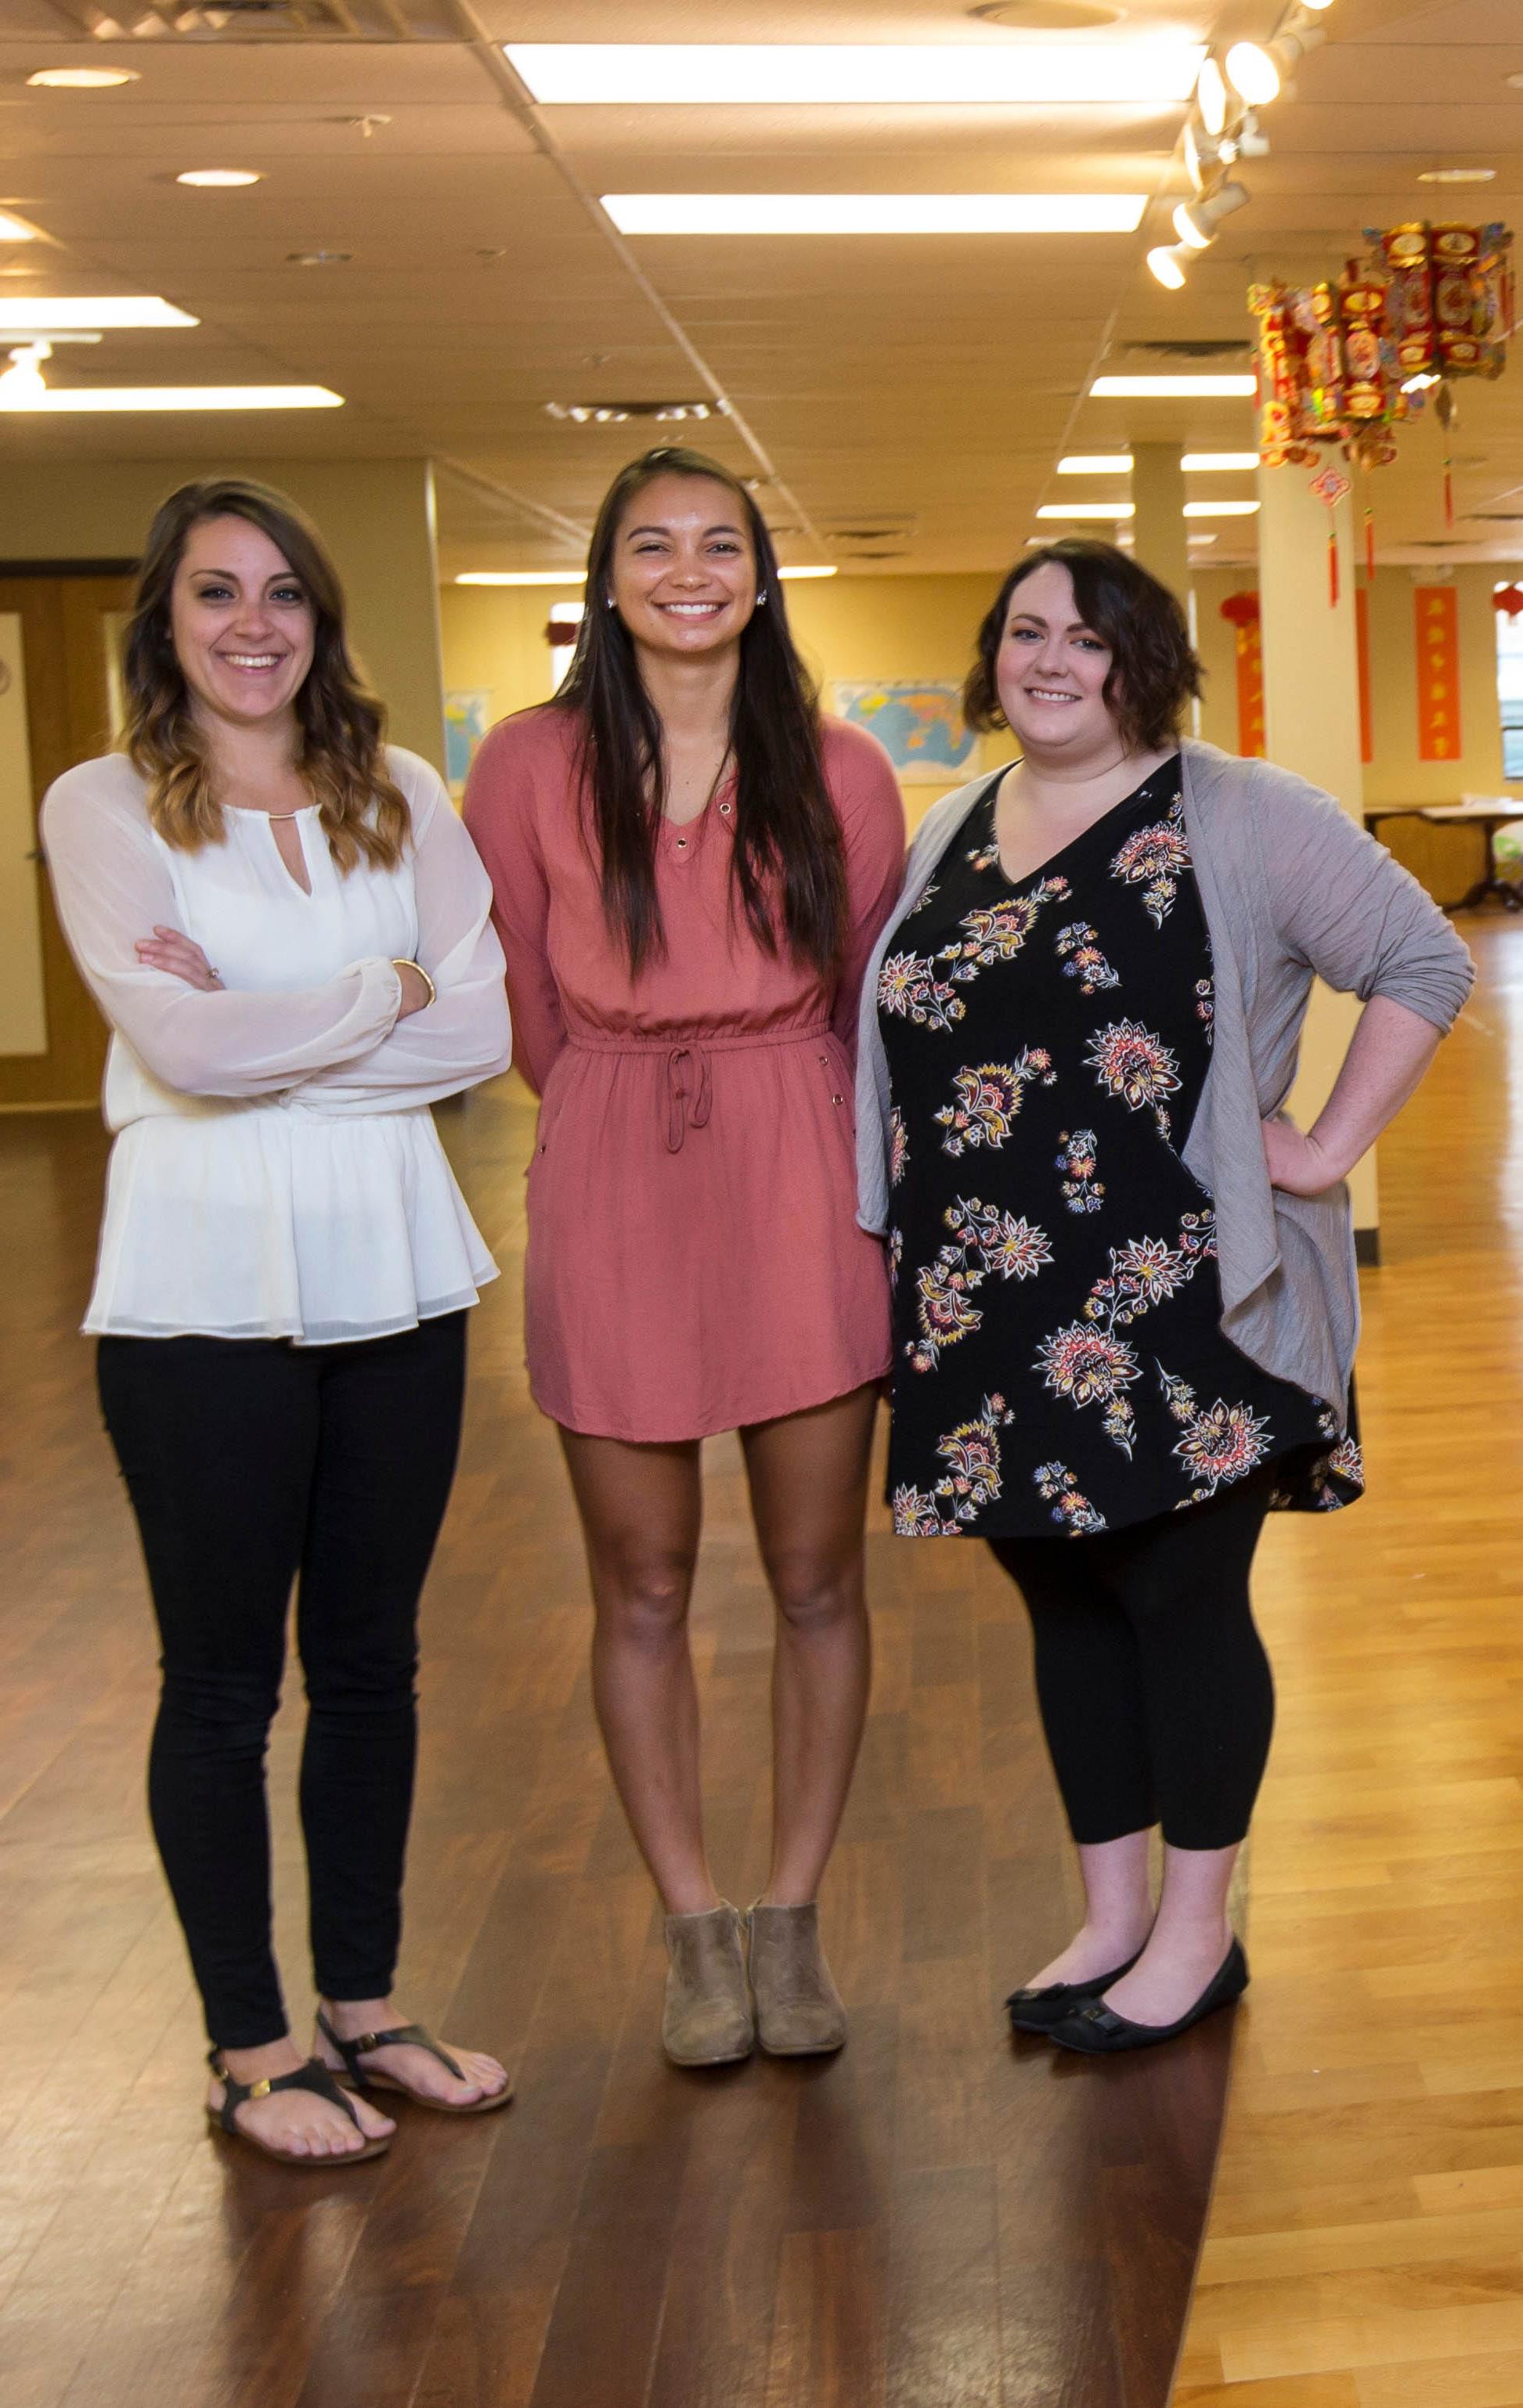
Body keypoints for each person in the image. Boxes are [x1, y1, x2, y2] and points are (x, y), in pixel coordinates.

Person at [850, 539, 1467, 2056]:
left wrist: (1324, 1146)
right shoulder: (950, 825)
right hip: (991, 1303)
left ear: (1151, 662)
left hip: (1188, 1296)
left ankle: (1199, 1932)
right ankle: (1112, 1913)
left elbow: (1421, 958)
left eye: (1091, 637)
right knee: (1062, 1604)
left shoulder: (1244, 812)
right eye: (1024, 633)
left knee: (1178, 1602)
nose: (1050, 661)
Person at [41, 479, 517, 2165]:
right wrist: (383, 987)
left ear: (321, 619)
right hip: (198, 1292)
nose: (255, 624)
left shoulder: (396, 788)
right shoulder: (100, 803)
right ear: (164, 621)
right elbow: (188, 1055)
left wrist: (293, 1015)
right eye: (216, 593)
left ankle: (365, 2011)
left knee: (374, 1664)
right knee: (226, 1683)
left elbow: (484, 1026)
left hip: (395, 1261)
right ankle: (251, 2046)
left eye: (284, 595)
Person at [467, 446, 908, 2066]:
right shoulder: (524, 762)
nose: (687, 569)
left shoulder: (845, 768)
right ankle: (690, 1920)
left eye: (719, 543)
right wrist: (608, 1096)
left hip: (798, 1151)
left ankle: (788, 1914)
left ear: (761, 573)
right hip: (610, 1156)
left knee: (814, 1574)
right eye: (651, 544)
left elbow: (874, 995)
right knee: (641, 1580)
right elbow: (517, 985)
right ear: (608, 577)